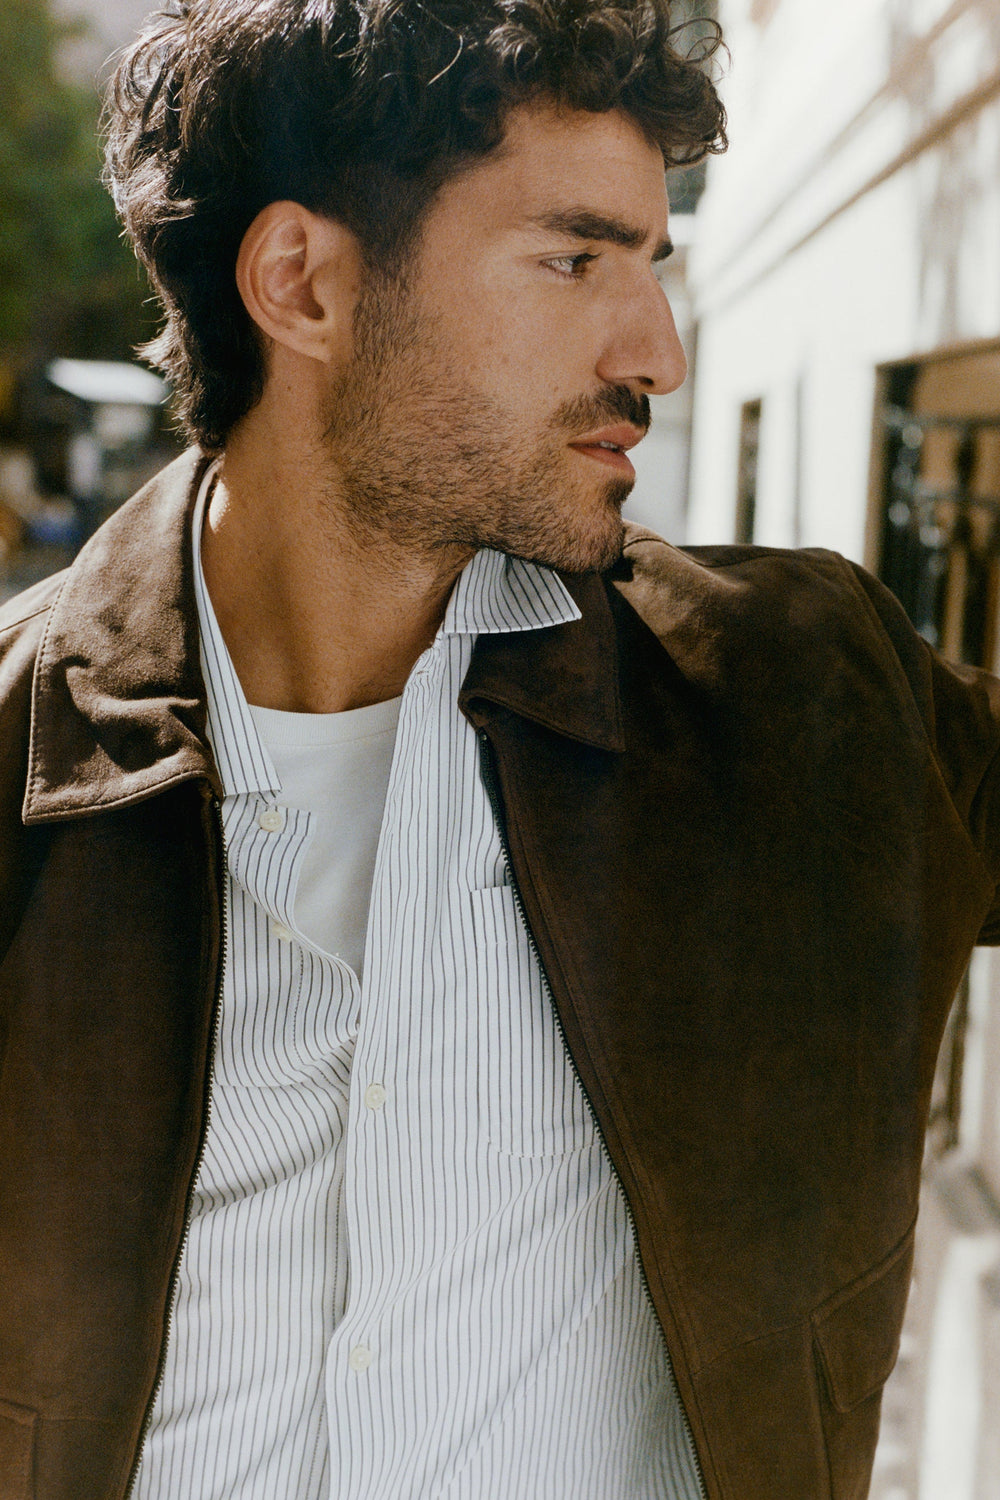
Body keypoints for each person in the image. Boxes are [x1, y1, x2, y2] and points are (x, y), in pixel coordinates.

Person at [0, 1, 997, 1497]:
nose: (657, 351)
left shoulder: (801, 698)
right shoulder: (19, 749)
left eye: (654, 265)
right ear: (303, 283)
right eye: (574, 260)